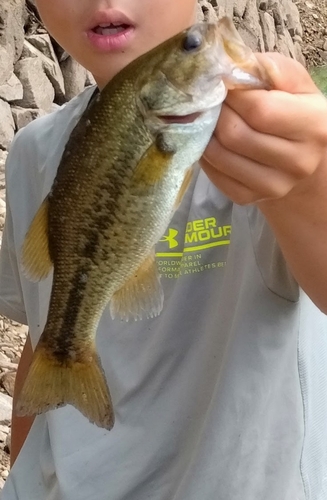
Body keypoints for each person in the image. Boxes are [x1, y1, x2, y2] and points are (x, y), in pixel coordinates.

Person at [1, 0, 327, 499]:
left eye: (192, 44)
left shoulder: (274, 145)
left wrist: (310, 187)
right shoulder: (32, 151)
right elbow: (45, 334)